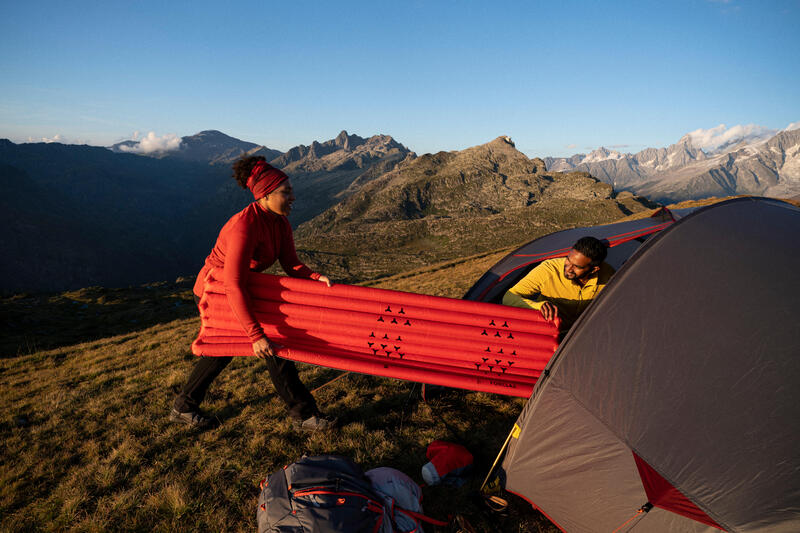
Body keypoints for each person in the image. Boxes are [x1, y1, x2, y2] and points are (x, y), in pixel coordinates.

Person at [170, 155, 336, 431]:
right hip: (215, 292)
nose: (292, 197)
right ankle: (304, 416)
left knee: (221, 351)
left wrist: (316, 277)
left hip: (241, 288)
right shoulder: (244, 227)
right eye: (286, 192)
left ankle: (183, 408)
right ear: (266, 195)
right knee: (270, 346)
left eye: (291, 190)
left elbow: (291, 264)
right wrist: (255, 335)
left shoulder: (280, 221)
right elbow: (232, 283)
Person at [502, 236, 614, 331]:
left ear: (594, 269)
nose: (568, 268)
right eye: (568, 260)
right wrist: (538, 306)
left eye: (576, 267)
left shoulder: (609, 276)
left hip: (584, 336)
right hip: (549, 333)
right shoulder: (549, 269)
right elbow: (509, 297)